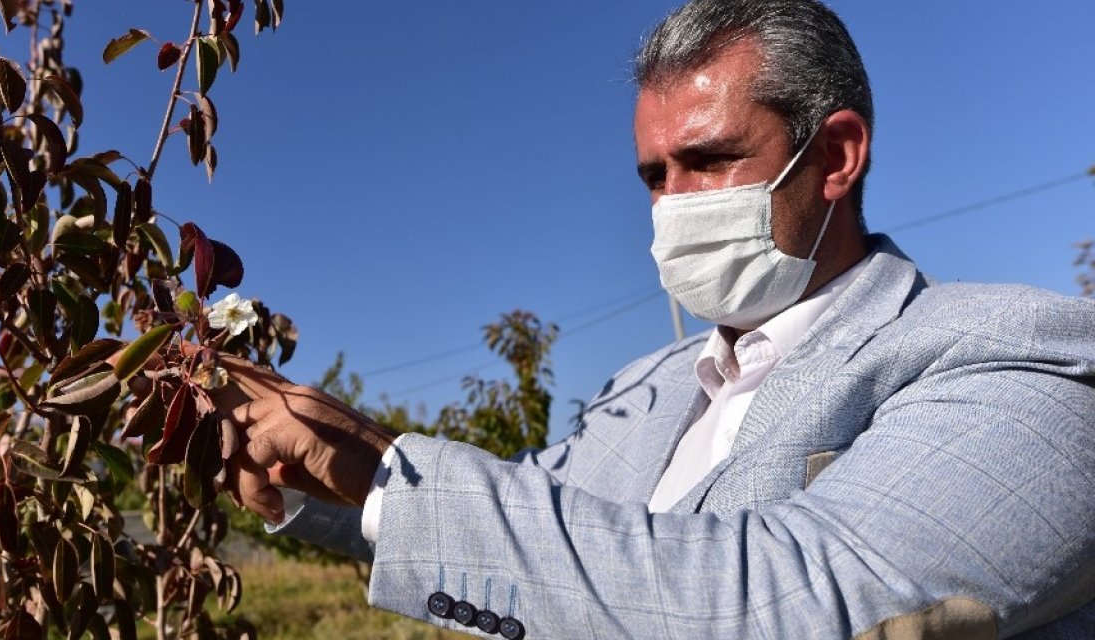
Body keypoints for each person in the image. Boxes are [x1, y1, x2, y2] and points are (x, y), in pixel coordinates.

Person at [209, 0, 1095, 637]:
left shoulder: (1017, 356)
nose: (672, 203)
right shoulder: (645, 389)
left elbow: (802, 600)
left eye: (708, 161)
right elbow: (529, 527)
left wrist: (380, 468)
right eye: (654, 175)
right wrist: (297, 475)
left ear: (835, 156)